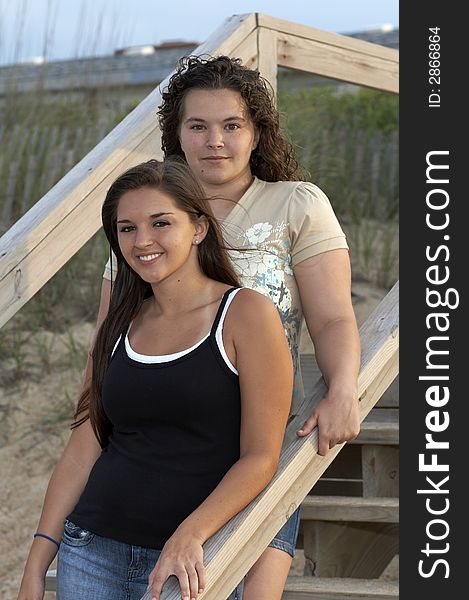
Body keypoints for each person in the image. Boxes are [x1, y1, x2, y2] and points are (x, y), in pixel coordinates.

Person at [54, 54, 361, 599]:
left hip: (254, 453)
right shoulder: (145, 218)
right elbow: (105, 355)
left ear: (257, 132)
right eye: (197, 125)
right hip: (148, 460)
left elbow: (334, 316)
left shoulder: (296, 203)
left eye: (232, 125)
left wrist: (342, 387)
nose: (214, 140)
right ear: (177, 134)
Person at [16, 158, 293, 600]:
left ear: (198, 228)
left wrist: (191, 533)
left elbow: (261, 457)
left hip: (192, 558)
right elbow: (81, 449)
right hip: (92, 550)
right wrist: (36, 562)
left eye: (160, 223)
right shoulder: (119, 323)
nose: (142, 240)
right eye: (127, 228)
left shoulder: (245, 314)